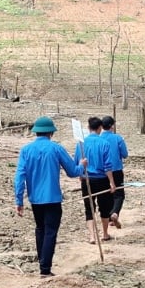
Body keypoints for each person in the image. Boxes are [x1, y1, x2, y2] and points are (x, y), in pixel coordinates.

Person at [14, 116, 87, 278]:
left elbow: (19, 176)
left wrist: (19, 200)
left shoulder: (26, 150)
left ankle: (43, 262)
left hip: (35, 199)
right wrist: (82, 165)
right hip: (53, 198)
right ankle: (45, 269)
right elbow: (72, 172)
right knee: (50, 232)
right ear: (51, 133)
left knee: (40, 229)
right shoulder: (56, 149)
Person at [74, 117, 115, 243]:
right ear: (100, 128)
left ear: (88, 127)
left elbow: (77, 161)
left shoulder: (81, 144)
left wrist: (80, 174)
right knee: (104, 208)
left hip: (87, 180)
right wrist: (112, 182)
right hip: (101, 179)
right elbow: (108, 166)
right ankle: (105, 233)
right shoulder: (104, 144)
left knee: (89, 208)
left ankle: (92, 236)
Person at [100, 115, 129, 229]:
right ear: (112, 126)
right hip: (116, 170)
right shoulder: (118, 138)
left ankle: (108, 216)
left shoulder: (99, 139)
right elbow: (125, 154)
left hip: (102, 172)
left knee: (106, 193)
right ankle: (115, 213)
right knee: (119, 194)